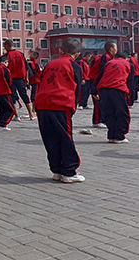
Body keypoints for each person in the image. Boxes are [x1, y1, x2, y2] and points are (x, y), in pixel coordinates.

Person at [35, 38, 84, 183]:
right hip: (60, 104)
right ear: (77, 54)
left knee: (50, 138)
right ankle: (68, 172)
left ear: (60, 50)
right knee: (65, 138)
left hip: (43, 104)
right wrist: (73, 107)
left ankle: (56, 170)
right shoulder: (74, 66)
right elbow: (77, 89)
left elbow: (41, 82)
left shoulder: (49, 64)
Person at [96, 53, 133, 143]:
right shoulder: (128, 64)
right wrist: (131, 97)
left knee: (109, 113)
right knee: (122, 113)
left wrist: (94, 90)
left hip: (104, 89)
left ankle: (111, 135)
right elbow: (131, 82)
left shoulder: (109, 63)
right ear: (126, 58)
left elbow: (100, 76)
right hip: (118, 89)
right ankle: (119, 136)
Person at [3, 39, 35, 121]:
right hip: (20, 79)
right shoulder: (21, 54)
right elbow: (26, 67)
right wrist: (27, 78)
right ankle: (31, 114)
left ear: (7, 46)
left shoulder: (6, 56)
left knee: (12, 96)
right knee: (24, 95)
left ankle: (17, 116)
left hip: (11, 79)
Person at [89, 42, 117, 127]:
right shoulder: (105, 57)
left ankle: (102, 120)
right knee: (98, 102)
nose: (116, 49)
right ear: (111, 49)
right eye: (115, 47)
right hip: (97, 81)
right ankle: (98, 121)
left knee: (102, 101)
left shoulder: (109, 57)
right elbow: (103, 71)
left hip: (100, 81)